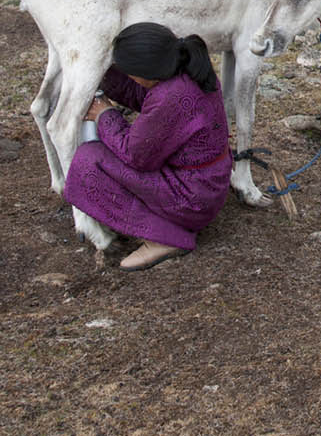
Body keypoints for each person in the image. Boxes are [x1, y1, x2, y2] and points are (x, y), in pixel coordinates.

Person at [63, 22, 232, 271]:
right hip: (207, 185)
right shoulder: (186, 72)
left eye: (129, 71)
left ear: (147, 72)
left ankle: (164, 237)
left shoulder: (171, 97)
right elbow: (144, 97)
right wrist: (101, 74)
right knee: (103, 154)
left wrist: (105, 114)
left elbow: (135, 156)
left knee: (90, 161)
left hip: (192, 200)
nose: (129, 76)